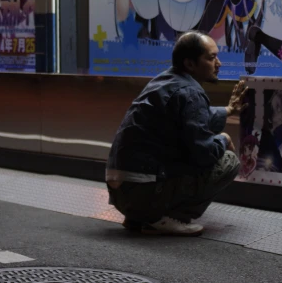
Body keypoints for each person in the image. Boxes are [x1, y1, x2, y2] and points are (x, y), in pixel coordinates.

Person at [106, 31, 248, 236]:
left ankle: (140, 216)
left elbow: (194, 118)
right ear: (190, 64)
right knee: (228, 161)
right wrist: (223, 139)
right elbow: (204, 153)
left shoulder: (163, 81)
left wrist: (228, 110)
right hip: (144, 194)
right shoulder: (191, 92)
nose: (219, 63)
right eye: (211, 58)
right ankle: (166, 218)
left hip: (121, 194)